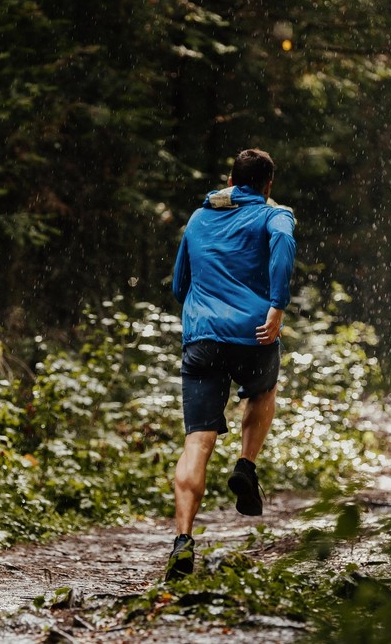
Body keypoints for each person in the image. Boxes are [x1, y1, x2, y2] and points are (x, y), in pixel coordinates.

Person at [165, 148, 296, 580]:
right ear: (268, 184)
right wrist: (276, 305)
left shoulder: (199, 219)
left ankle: (183, 540)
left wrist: (207, 310)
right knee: (262, 391)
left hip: (202, 339)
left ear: (230, 178)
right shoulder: (275, 216)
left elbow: (179, 285)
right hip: (254, 334)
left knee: (196, 443)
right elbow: (283, 242)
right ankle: (246, 465)